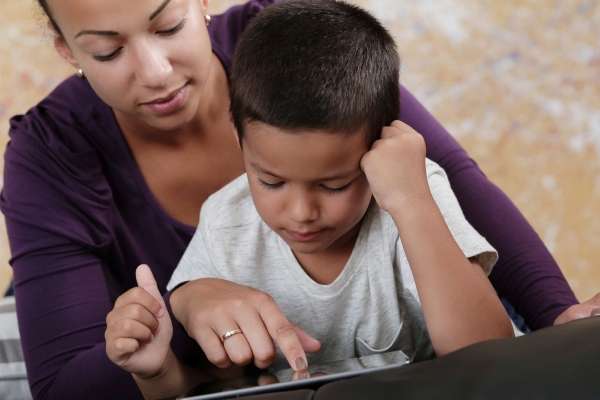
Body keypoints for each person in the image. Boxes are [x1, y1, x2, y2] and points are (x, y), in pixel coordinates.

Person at [0, 0, 597, 399]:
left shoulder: (295, 52)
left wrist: (558, 320)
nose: (155, 72)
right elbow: (70, 381)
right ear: (66, 51)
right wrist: (185, 306)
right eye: (106, 51)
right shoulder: (63, 157)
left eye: (168, 25)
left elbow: (458, 187)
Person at [105, 3, 513, 397]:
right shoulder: (226, 222)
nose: (301, 214)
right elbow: (217, 385)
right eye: (271, 181)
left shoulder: (411, 190)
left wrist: (410, 202)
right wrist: (157, 373)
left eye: (334, 185)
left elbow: (487, 355)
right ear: (239, 139)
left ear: (381, 148)